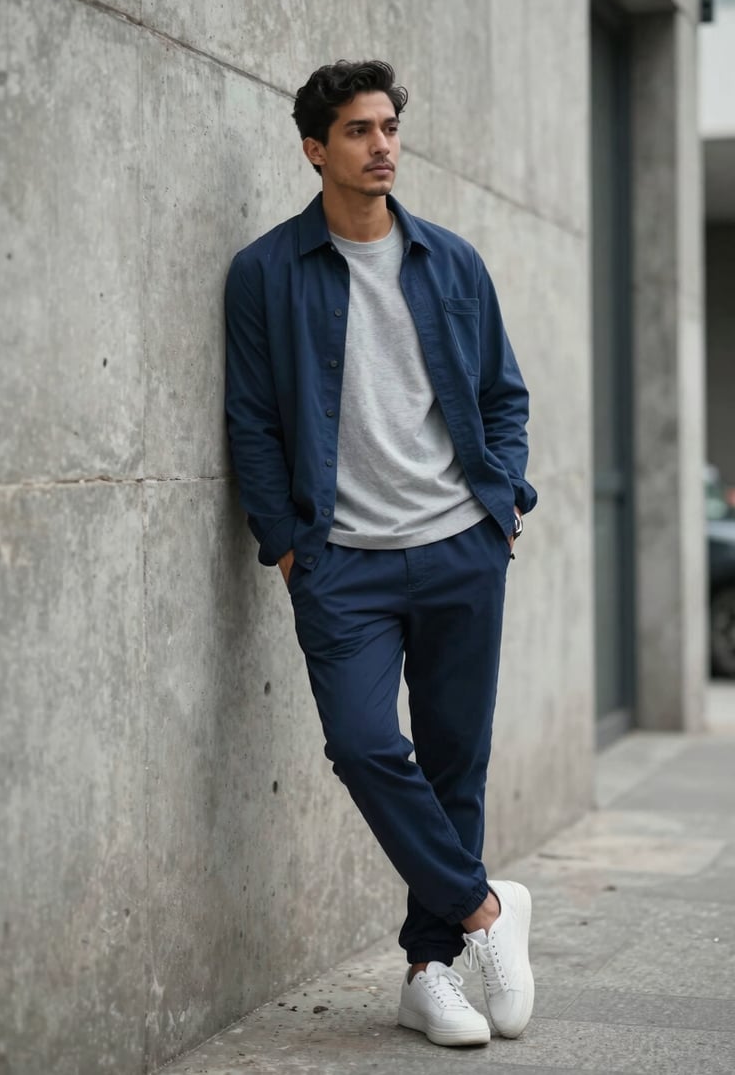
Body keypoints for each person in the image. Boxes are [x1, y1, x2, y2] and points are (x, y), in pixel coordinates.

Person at [225, 60, 537, 1049]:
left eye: (389, 127)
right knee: (363, 745)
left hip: (459, 548)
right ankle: (487, 910)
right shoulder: (267, 273)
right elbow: (252, 422)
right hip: (341, 562)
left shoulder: (453, 262)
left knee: (455, 763)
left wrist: (505, 506)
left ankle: (429, 970)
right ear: (315, 149)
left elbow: (503, 395)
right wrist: (285, 545)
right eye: (358, 131)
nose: (382, 146)